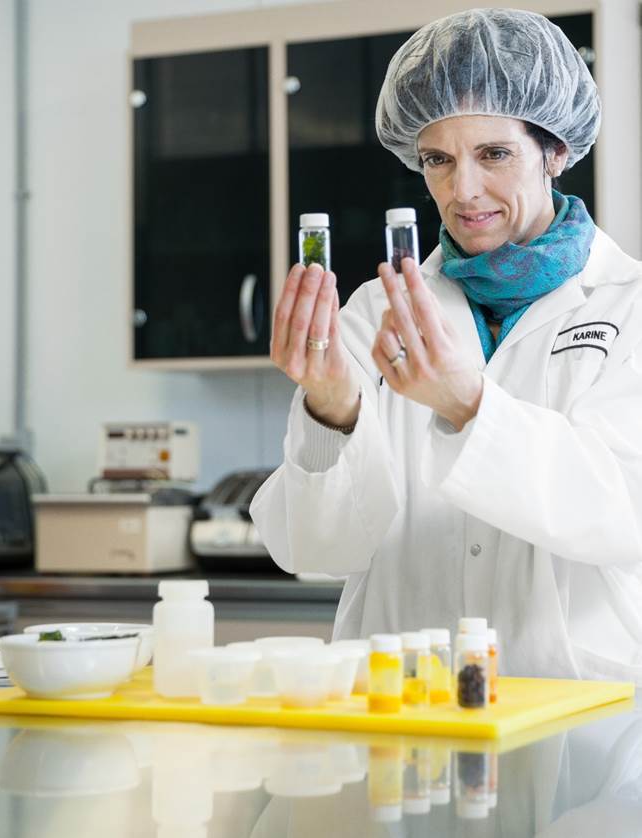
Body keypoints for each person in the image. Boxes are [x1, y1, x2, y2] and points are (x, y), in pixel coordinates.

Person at [250, 8, 642, 683]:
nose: (463, 191)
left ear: (555, 152)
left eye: (494, 154)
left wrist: (468, 404)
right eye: (438, 160)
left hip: (575, 707)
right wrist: (332, 411)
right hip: (403, 702)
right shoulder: (373, 311)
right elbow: (317, 549)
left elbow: (622, 512)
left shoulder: (627, 305)